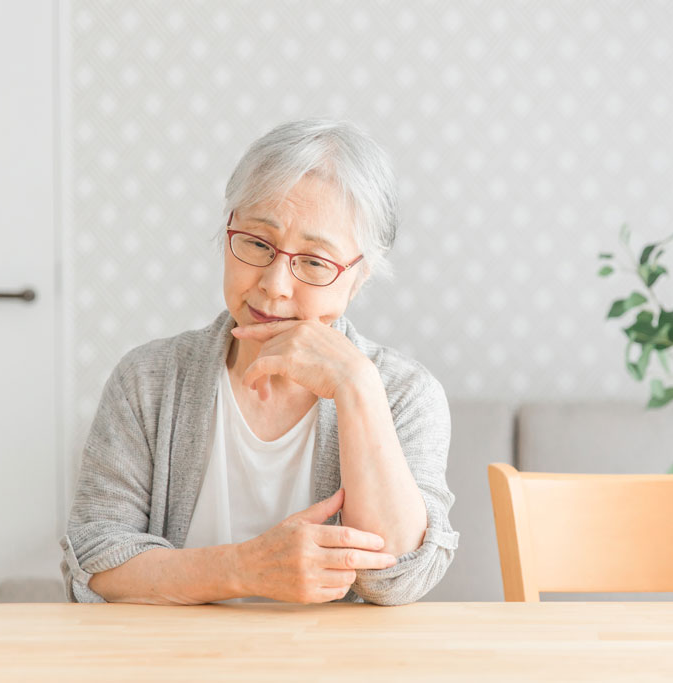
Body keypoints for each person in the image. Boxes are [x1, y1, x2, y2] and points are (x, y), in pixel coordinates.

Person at [59, 119, 458, 606]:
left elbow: (398, 580)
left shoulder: (404, 394)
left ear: (358, 278)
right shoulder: (147, 380)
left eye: (314, 261)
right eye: (257, 243)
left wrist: (358, 387)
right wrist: (244, 570)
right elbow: (93, 564)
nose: (274, 284)